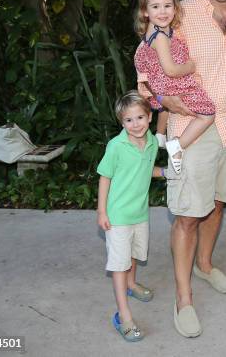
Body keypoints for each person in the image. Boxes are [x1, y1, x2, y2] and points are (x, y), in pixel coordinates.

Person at [157, 0, 226, 338]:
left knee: (216, 202)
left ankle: (206, 264)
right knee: (186, 214)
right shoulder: (179, 15)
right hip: (192, 127)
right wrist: (162, 102)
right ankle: (183, 297)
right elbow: (149, 69)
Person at [96, 91, 164, 342]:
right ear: (121, 122)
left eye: (140, 117)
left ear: (149, 117)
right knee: (119, 264)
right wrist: (102, 211)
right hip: (117, 217)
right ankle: (123, 316)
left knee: (135, 254)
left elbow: (147, 170)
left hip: (140, 212)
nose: (135, 124)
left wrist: (167, 171)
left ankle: (132, 284)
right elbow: (105, 177)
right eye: (129, 120)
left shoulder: (152, 143)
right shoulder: (116, 146)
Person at [134, 0, 215, 175]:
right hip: (171, 84)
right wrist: (190, 67)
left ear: (175, 7)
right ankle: (178, 145)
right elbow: (170, 70)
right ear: (145, 11)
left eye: (167, 6)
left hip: (159, 84)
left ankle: (160, 135)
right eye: (155, 7)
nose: (162, 12)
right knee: (207, 113)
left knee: (167, 110)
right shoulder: (160, 37)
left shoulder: (154, 29)